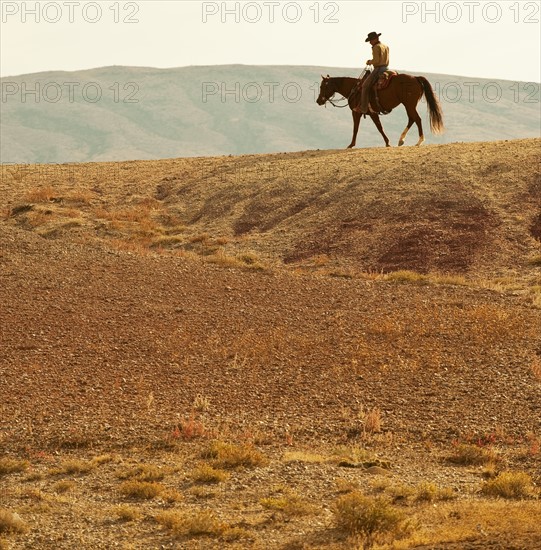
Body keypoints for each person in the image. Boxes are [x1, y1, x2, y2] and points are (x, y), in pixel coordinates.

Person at [354, 32, 389, 114]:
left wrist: (369, 61)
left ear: (375, 39)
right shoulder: (385, 46)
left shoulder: (376, 47)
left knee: (365, 86)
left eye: (370, 40)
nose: (370, 42)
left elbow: (376, 61)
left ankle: (363, 108)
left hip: (378, 69)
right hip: (386, 68)